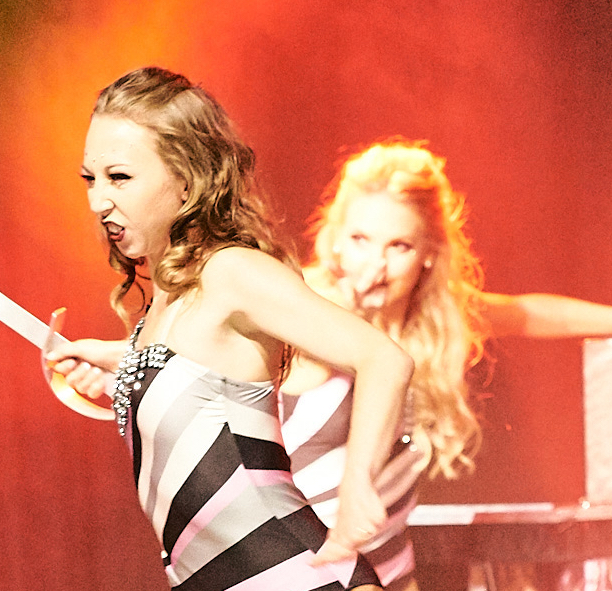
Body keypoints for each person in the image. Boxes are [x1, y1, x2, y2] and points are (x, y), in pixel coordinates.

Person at [281, 140, 612, 591]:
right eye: (360, 239)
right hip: (301, 560)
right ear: (336, 239)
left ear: (428, 255)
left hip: (388, 567)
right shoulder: (302, 303)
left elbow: (531, 314)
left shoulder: (433, 323)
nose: (375, 265)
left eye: (398, 246)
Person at [44, 68, 414, 591]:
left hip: (295, 576)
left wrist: (358, 490)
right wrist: (115, 366)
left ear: (187, 178)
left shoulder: (230, 271)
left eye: (119, 177)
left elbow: (385, 359)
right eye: (90, 179)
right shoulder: (168, 302)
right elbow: (199, 394)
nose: (97, 201)